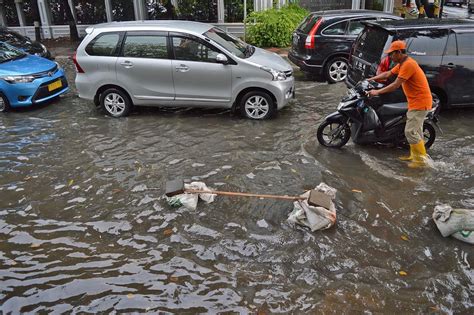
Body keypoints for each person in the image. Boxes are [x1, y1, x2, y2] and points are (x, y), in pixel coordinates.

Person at [367, 40, 432, 168]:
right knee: (416, 131)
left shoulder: (409, 65)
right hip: (415, 102)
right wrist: (370, 79)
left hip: (420, 103)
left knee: (410, 132)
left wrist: (376, 92)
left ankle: (420, 162)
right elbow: (387, 74)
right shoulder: (402, 63)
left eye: (391, 54)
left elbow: (395, 85)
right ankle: (414, 156)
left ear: (399, 52)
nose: (390, 56)